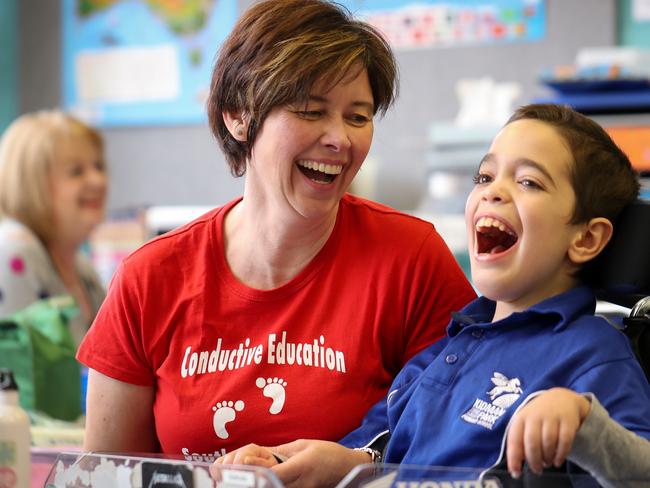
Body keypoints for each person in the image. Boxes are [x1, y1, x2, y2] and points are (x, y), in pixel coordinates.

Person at [77, 0, 475, 460]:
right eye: (310, 110)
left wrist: (361, 467)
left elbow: (460, 444)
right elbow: (105, 475)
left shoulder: (411, 258)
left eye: (358, 116)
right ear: (237, 115)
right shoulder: (149, 278)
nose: (340, 139)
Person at [214, 104, 650, 488]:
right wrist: (287, 464)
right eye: (484, 176)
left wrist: (587, 425)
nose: (493, 190)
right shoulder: (449, 346)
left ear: (587, 239)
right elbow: (378, 450)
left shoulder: (594, 355)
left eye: (530, 183)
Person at [0, 110, 108, 345]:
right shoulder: (13, 253)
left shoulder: (81, 266)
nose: (98, 180)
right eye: (76, 171)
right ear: (32, 184)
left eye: (98, 166)